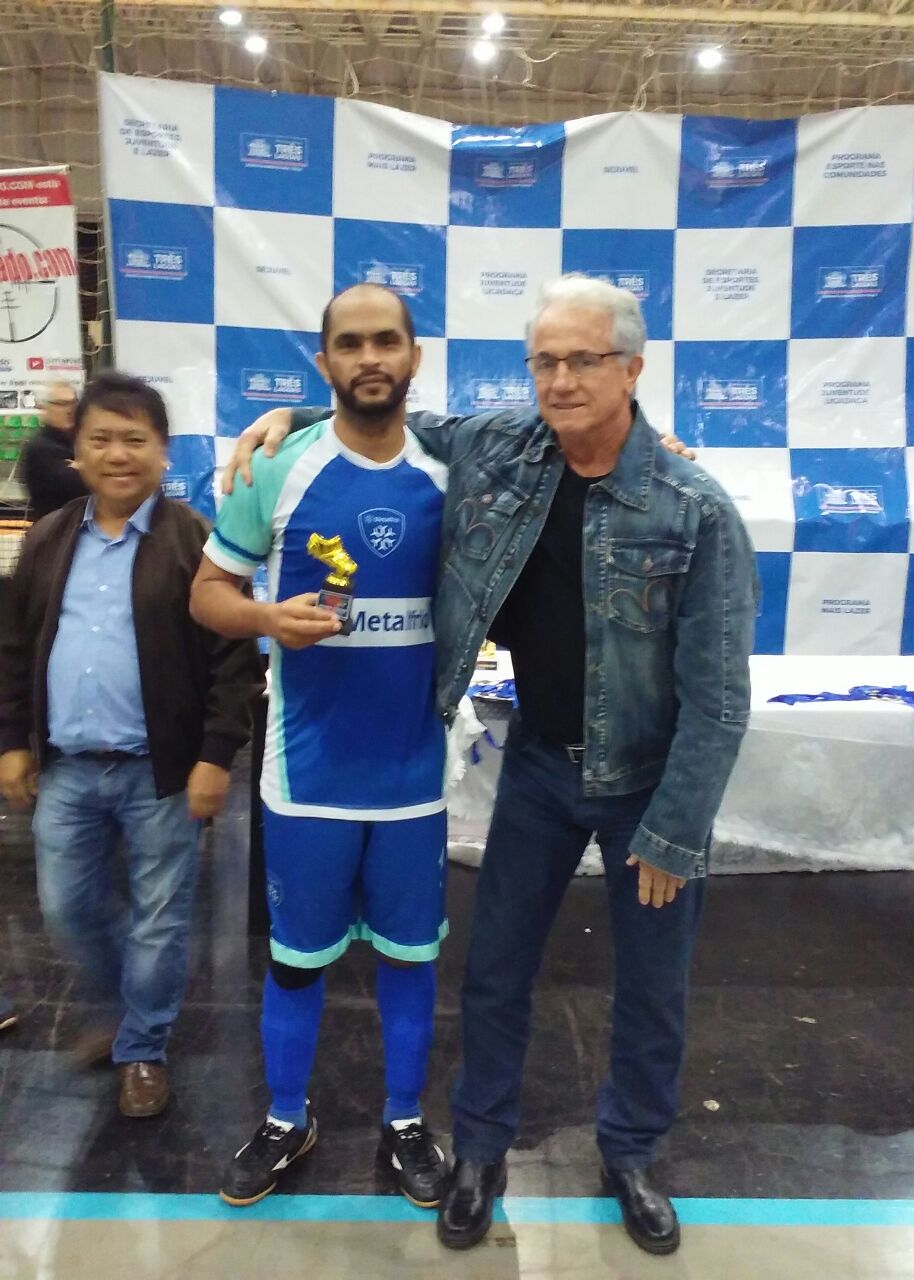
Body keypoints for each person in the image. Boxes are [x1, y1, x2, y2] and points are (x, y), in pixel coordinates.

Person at [226, 273, 756, 1256]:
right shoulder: (510, 449)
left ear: (633, 369)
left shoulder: (695, 509)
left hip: (647, 786)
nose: (561, 380)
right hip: (542, 772)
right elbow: (389, 411)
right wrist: (290, 414)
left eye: (584, 360)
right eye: (544, 361)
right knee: (495, 974)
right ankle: (476, 1152)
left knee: (653, 989)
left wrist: (678, 827)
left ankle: (632, 1155)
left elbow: (721, 694)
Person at [190, 285, 450, 1209]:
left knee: (410, 961)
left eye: (386, 341)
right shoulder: (278, 468)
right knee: (296, 962)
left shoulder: (452, 471)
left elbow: (562, 448)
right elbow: (206, 594)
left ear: (414, 356)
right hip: (306, 780)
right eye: (350, 344)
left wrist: (652, 440)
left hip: (414, 779)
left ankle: (405, 1121)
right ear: (325, 362)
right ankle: (285, 1118)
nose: (370, 357)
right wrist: (267, 618)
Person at [0, 372, 264, 1118]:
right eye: (101, 440)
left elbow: (235, 663)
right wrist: (12, 740)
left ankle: (143, 1048)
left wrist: (215, 756)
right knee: (66, 909)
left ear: (162, 452)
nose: (118, 455)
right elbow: (13, 647)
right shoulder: (49, 538)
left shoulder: (196, 542)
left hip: (162, 774)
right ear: (77, 452)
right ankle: (124, 1013)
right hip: (67, 769)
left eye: (134, 439)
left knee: (159, 920)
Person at [17, 380, 88, 520]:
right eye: (61, 404)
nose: (70, 410)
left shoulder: (78, 439)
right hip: (57, 529)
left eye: (73, 403)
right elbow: (80, 485)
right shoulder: (40, 448)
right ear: (44, 408)